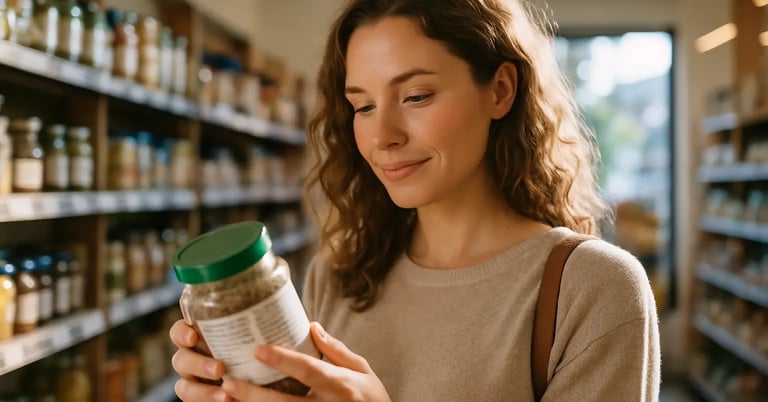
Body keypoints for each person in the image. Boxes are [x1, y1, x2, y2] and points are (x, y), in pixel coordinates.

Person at [169, 0, 661, 401]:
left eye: (416, 96)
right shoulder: (338, 276)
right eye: (362, 106)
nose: (382, 136)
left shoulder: (594, 290)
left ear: (501, 90)